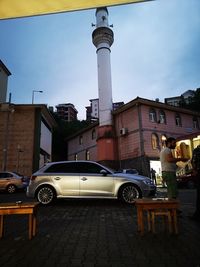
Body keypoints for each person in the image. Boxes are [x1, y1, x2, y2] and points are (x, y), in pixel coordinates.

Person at [190, 145, 200, 221]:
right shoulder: (197, 150)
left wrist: (195, 170)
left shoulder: (197, 150)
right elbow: (193, 162)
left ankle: (197, 214)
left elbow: (193, 161)